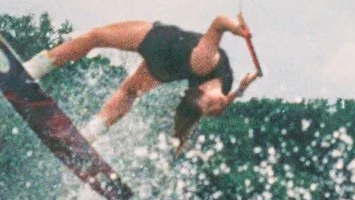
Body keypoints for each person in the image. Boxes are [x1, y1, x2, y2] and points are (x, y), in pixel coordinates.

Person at [27, 14, 261, 149]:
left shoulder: (206, 63)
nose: (218, 106)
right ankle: (91, 132)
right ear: (200, 88)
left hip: (160, 43)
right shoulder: (220, 90)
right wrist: (241, 88)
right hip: (166, 68)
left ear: (198, 89)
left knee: (96, 37)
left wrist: (234, 28)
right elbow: (223, 102)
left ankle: (35, 69)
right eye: (213, 106)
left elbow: (219, 21)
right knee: (128, 91)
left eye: (209, 108)